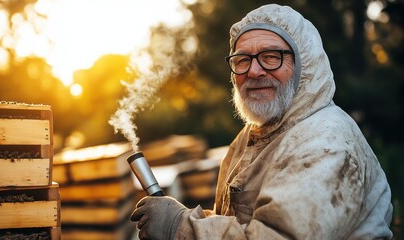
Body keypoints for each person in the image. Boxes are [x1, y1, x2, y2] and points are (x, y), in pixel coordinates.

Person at [130, 4, 393, 239]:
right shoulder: (250, 138)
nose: (254, 71)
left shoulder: (325, 141)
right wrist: (184, 219)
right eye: (242, 60)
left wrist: (180, 226)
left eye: (271, 56)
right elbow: (240, 223)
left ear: (305, 66)